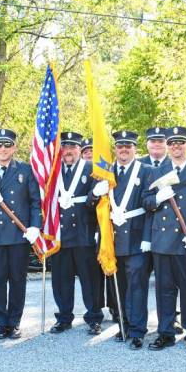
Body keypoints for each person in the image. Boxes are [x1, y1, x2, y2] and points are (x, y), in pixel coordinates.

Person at [143, 126, 186, 352]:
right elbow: (146, 202)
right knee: (164, 290)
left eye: (181, 142)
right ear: (168, 146)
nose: (176, 146)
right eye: (172, 143)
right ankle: (166, 332)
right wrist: (158, 198)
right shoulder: (155, 172)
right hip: (161, 243)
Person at [0, 129, 42, 339]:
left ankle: (14, 323)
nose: (3, 149)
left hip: (18, 236)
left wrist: (35, 227)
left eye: (7, 145)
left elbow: (34, 202)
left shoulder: (25, 170)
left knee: (17, 280)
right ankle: (0, 323)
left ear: (14, 147)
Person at [93, 130, 153, 350]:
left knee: (137, 287)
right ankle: (123, 326)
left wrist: (148, 238)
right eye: (120, 146)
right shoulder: (106, 172)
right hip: (113, 240)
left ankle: (137, 331)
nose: (124, 149)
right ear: (115, 150)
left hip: (137, 239)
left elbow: (149, 207)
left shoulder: (146, 171)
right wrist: (94, 193)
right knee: (119, 286)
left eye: (128, 146)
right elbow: (93, 206)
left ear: (135, 149)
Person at [49, 131, 104, 335]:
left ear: (80, 150)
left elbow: (97, 199)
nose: (68, 151)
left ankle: (94, 318)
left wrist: (94, 194)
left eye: (72, 147)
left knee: (90, 279)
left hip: (84, 232)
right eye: (64, 147)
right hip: (60, 235)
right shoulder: (53, 170)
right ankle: (64, 318)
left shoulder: (90, 168)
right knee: (61, 280)